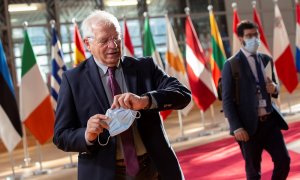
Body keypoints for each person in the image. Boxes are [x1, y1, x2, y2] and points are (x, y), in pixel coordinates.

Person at [53, 10, 191, 180]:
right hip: (104, 173)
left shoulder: (144, 67)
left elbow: (183, 94)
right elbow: (61, 136)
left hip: (154, 168)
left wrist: (145, 101)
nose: (114, 45)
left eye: (116, 38)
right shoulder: (73, 80)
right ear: (88, 44)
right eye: (104, 40)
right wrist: (86, 135)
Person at [222, 20, 290, 180]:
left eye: (256, 35)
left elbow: (275, 88)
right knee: (253, 172)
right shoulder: (231, 65)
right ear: (241, 38)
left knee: (284, 161)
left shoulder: (266, 59)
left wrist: (274, 88)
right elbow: (226, 100)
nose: (254, 38)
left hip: (269, 122)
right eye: (249, 36)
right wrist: (237, 127)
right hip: (247, 127)